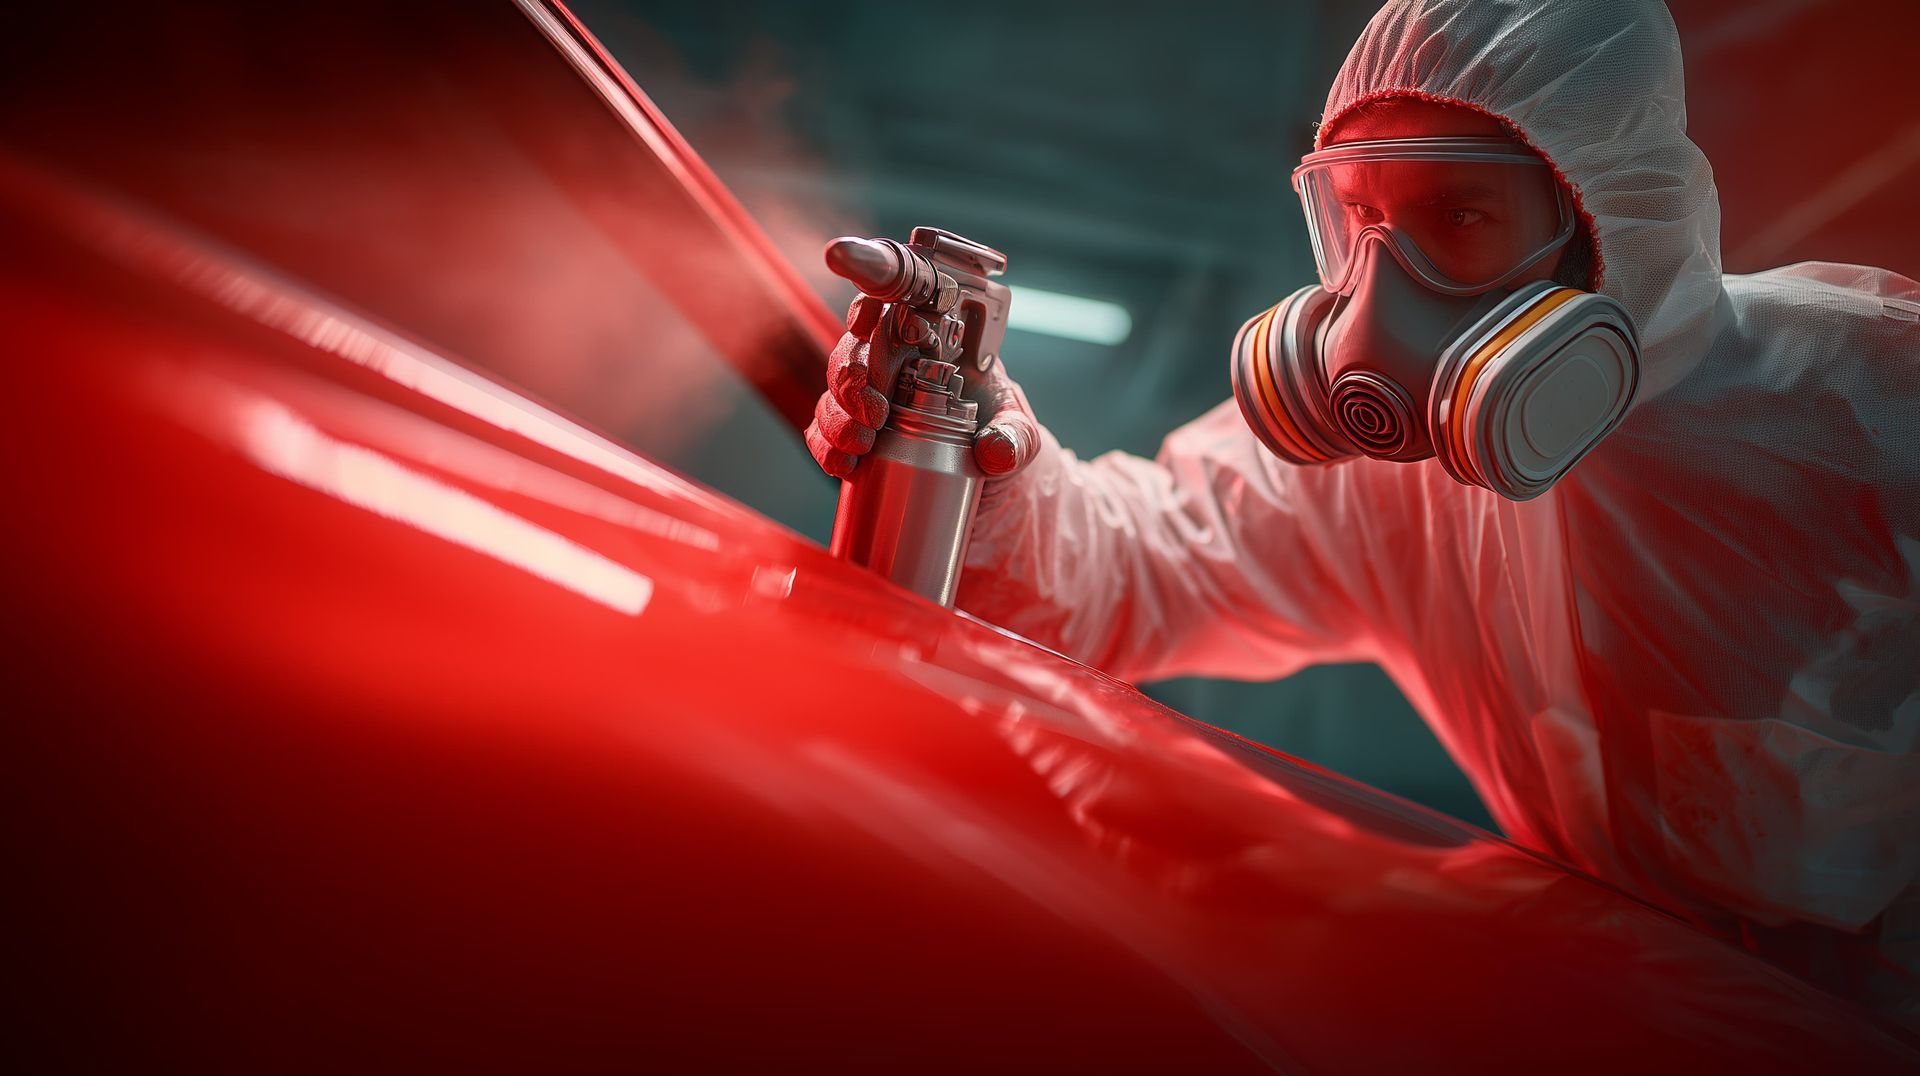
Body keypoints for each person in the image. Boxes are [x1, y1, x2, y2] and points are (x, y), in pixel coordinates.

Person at [806, 0, 1919, 1024]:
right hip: (1606, 1015)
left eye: (1460, 214)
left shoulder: (1873, 407)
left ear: (1607, 215)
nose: (1376, 306)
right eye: (1359, 217)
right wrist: (979, 444)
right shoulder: (1393, 469)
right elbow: (1132, 567)